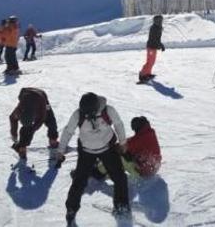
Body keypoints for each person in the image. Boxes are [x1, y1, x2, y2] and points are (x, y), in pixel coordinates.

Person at [56, 92, 130, 223]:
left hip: (107, 148)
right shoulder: (78, 114)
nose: (86, 114)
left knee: (119, 177)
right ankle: (71, 209)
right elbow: (68, 131)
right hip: (86, 151)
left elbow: (118, 124)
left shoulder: (108, 110)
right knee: (79, 181)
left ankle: (121, 206)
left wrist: (123, 142)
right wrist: (61, 150)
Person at [95, 116, 162, 181]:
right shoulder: (148, 133)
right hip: (150, 169)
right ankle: (105, 173)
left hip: (143, 172)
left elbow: (125, 146)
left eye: (135, 128)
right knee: (126, 158)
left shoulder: (142, 137)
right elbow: (131, 141)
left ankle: (98, 172)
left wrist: (110, 148)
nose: (135, 131)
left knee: (119, 157)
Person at [9, 87, 59, 160]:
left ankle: (53, 140)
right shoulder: (19, 110)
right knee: (26, 129)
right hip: (26, 95)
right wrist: (14, 135)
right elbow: (12, 118)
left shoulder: (41, 108)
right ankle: (22, 148)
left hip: (41, 97)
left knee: (51, 120)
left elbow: (41, 120)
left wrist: (32, 129)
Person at [139, 15, 166, 83]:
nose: (161, 21)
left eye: (161, 20)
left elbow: (157, 39)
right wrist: (160, 45)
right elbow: (154, 39)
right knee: (149, 62)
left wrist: (160, 45)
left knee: (152, 62)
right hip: (151, 47)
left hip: (154, 47)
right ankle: (142, 75)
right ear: (156, 20)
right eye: (159, 20)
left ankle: (148, 74)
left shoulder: (158, 27)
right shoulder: (154, 28)